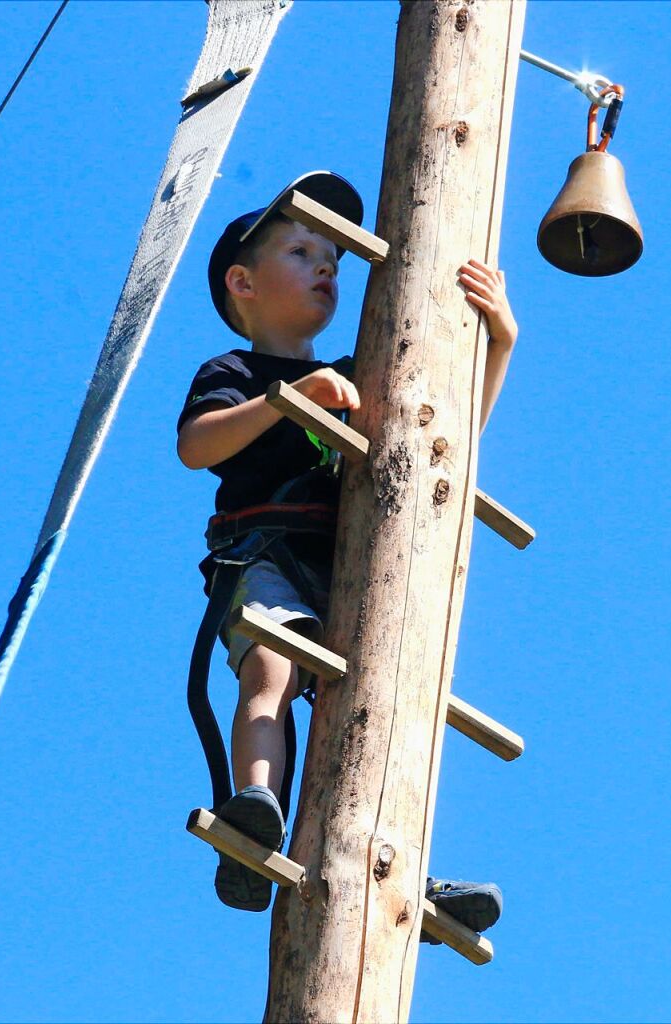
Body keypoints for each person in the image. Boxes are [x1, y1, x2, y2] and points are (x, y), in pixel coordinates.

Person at [177, 172, 515, 934]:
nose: (326, 266)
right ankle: (254, 803)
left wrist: (497, 342)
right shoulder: (233, 373)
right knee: (272, 663)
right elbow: (196, 448)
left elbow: (447, 443)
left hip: (358, 570)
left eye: (333, 257)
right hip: (266, 550)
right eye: (301, 251)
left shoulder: (364, 375)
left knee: (379, 712)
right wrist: (289, 401)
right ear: (243, 283)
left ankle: (396, 861)